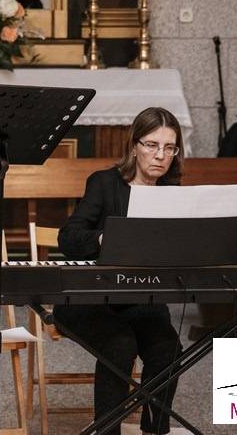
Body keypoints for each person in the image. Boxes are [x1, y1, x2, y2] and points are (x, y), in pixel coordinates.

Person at [53, 107, 185, 435]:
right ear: (134, 145)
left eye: (170, 147)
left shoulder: (173, 194)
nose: (161, 155)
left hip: (142, 298)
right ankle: (107, 430)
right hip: (89, 299)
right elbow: (69, 238)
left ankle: (155, 429)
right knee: (120, 344)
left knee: (168, 349)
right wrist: (104, 237)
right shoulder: (104, 183)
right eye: (152, 145)